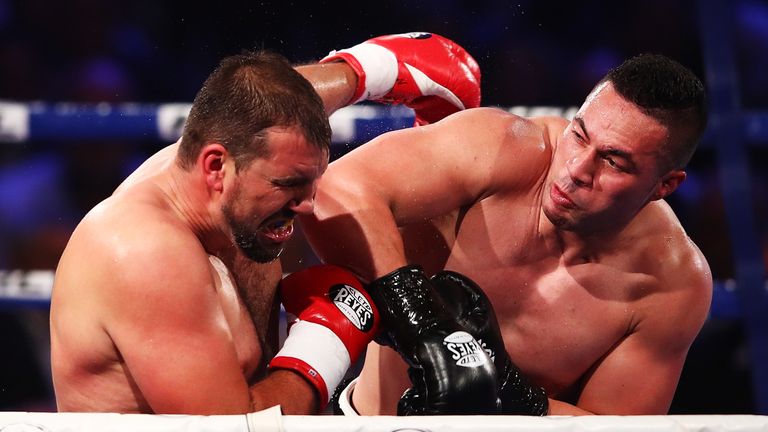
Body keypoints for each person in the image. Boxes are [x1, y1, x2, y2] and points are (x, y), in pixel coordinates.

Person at [50, 33, 483, 415]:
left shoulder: (238, 172)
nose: (309, 205)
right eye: (290, 184)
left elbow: (280, 97)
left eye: (313, 180)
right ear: (217, 167)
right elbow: (237, 428)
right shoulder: (148, 254)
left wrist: (370, 69)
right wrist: (325, 339)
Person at [301, 51, 712, 415]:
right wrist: (426, 328)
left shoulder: (672, 283)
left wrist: (507, 389)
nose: (576, 170)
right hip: (371, 422)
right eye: (580, 134)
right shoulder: (503, 151)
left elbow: (611, 430)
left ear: (665, 185)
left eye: (614, 162)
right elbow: (337, 190)